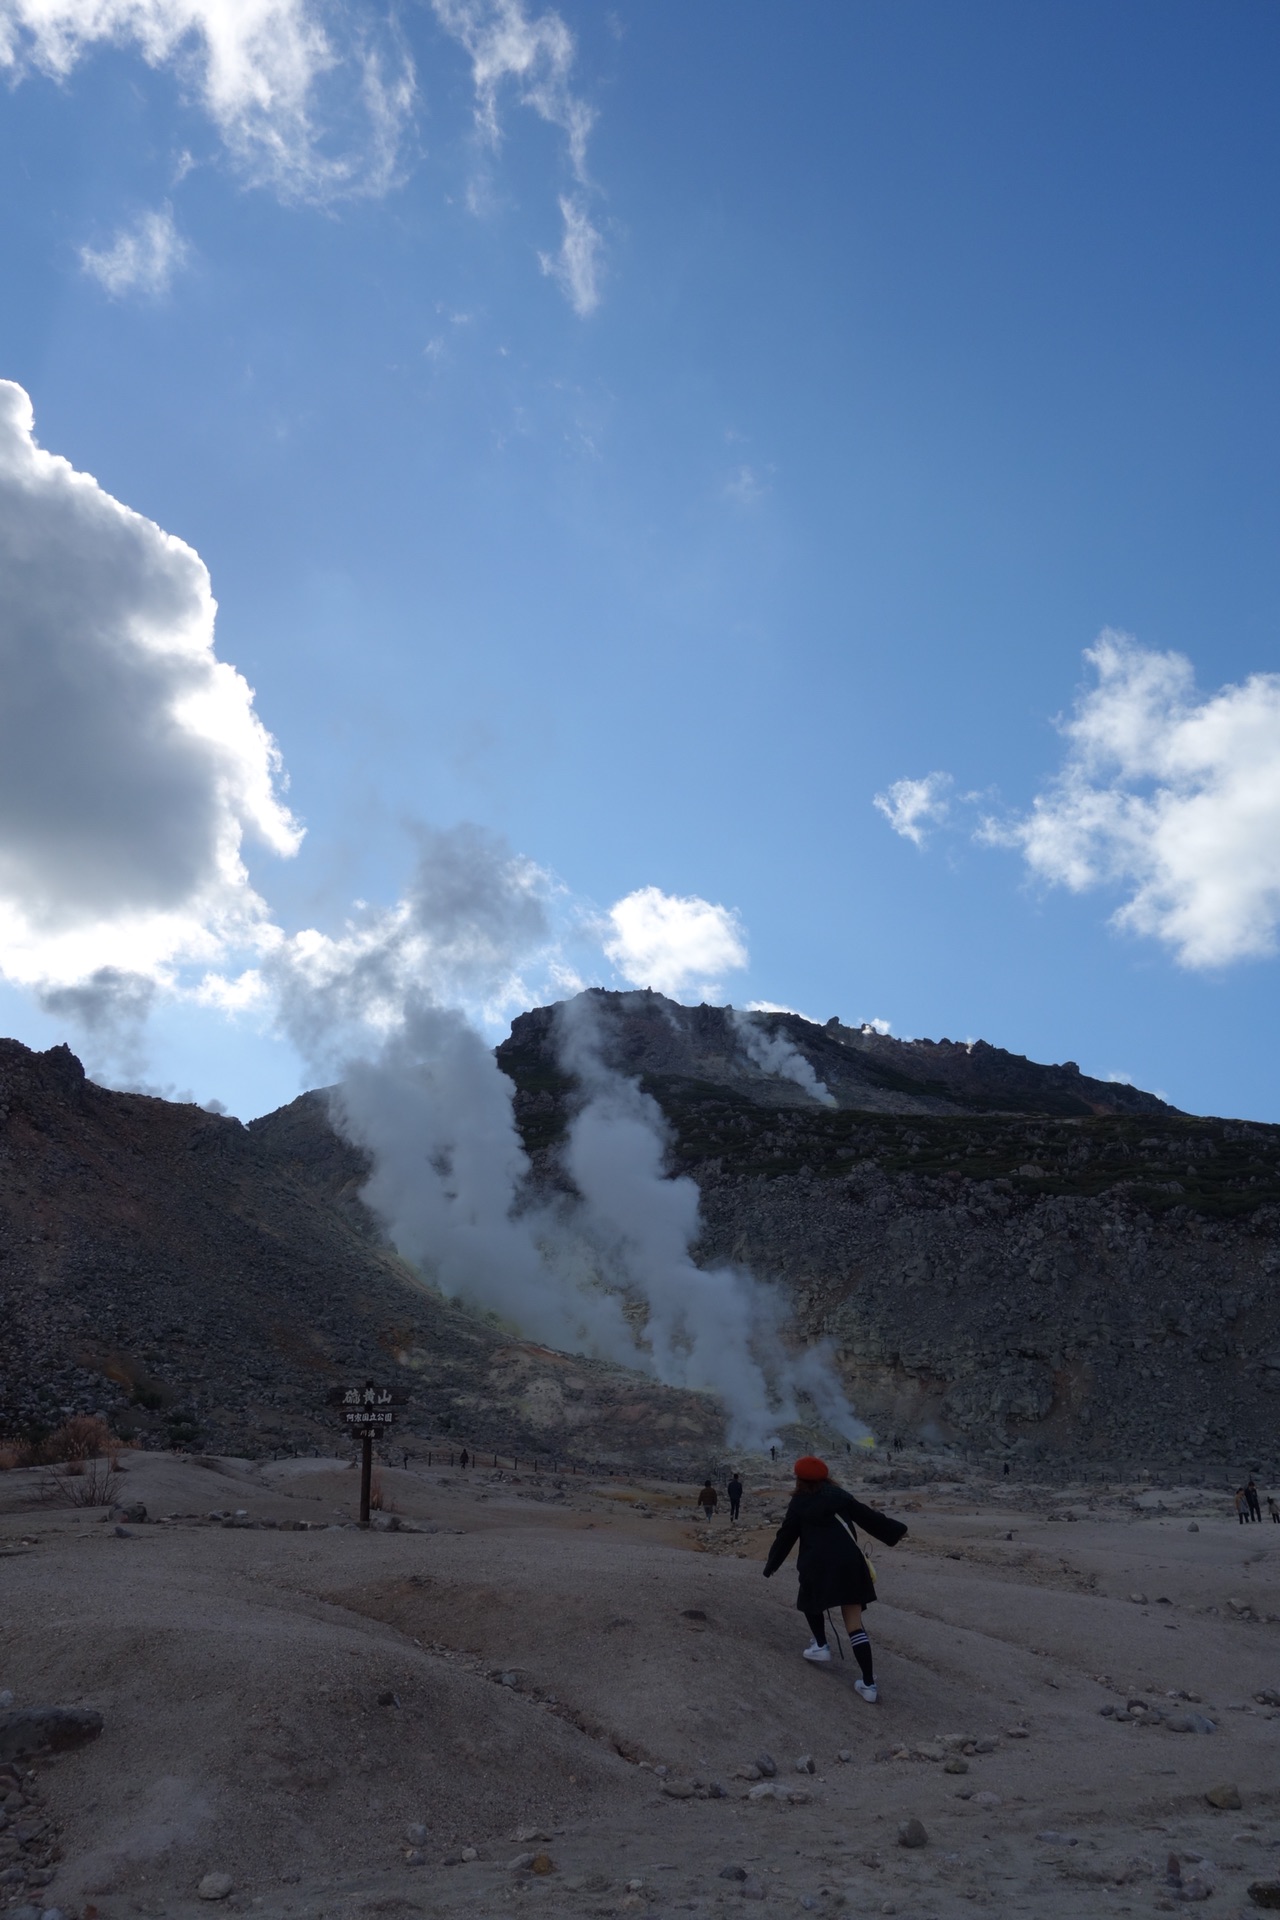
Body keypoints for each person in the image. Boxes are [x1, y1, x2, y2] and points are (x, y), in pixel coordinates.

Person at [763, 1455, 907, 1705]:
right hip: (849, 1565)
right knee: (854, 1624)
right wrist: (896, 1530)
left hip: (816, 1566)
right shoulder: (840, 1497)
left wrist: (771, 1565)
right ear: (825, 1477)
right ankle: (868, 1684)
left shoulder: (799, 1504)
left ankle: (820, 1644)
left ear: (799, 1479)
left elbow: (786, 1536)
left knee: (810, 1601)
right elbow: (868, 1518)